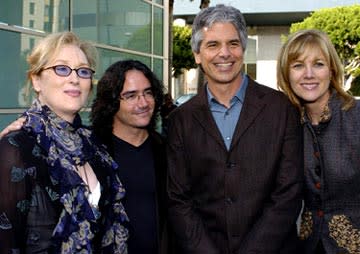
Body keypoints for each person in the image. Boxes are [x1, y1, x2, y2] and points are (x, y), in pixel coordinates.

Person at [166, 4, 304, 254]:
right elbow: (179, 201)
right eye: (212, 45)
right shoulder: (179, 121)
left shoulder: (282, 109)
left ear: (243, 49)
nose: (224, 53)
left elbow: (288, 193)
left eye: (232, 43)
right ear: (197, 54)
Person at [0, 32, 128, 253]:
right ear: (36, 80)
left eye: (83, 71)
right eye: (61, 68)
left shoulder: (94, 147)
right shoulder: (16, 148)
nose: (74, 78)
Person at [277, 29, 360, 254]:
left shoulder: (356, 117)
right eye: (298, 65)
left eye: (319, 64)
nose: (309, 74)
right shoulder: (286, 125)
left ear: (332, 69)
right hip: (307, 247)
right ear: (286, 74)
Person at [91, 59, 169, 254]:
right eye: (131, 95)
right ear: (111, 102)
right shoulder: (92, 151)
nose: (143, 103)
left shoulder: (168, 150)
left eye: (148, 92)